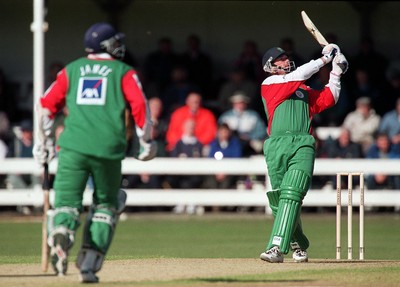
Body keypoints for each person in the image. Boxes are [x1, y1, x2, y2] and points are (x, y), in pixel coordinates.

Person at [32, 22, 157, 283]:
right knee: (106, 205)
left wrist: (42, 143)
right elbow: (140, 107)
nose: (120, 46)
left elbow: (45, 107)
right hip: (107, 150)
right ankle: (88, 264)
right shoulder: (123, 71)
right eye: (116, 42)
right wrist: (146, 143)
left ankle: (62, 234)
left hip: (72, 147)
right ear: (107, 45)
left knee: (66, 203)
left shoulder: (71, 69)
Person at [258, 44, 348, 263]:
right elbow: (301, 73)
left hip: (302, 142)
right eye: (280, 59)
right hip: (276, 145)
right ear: (270, 66)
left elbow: (329, 99)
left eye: (286, 57)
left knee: (293, 191)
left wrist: (336, 71)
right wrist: (326, 59)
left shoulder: (302, 90)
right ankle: (299, 243)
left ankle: (276, 248)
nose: (285, 61)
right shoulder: (270, 83)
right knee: (280, 199)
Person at [218, 91, 267, 156]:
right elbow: (220, 131)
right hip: (231, 141)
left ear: (245, 103)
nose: (239, 105)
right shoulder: (225, 116)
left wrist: (249, 137)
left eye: (241, 103)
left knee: (259, 146)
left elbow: (261, 131)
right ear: (233, 104)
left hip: (250, 141)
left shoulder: (253, 115)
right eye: (237, 103)